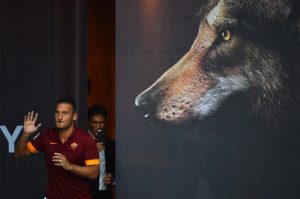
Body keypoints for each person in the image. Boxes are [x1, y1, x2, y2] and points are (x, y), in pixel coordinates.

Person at [15, 98, 100, 199]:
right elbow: (20, 153)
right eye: (57, 113)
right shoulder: (47, 135)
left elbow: (94, 173)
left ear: (74, 116)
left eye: (65, 113)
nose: (60, 117)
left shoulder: (85, 139)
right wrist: (25, 134)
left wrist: (70, 166)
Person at [88, 105, 115, 199]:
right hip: (84, 194)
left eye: (102, 123)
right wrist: (91, 150)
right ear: (89, 122)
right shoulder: (80, 141)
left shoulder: (111, 144)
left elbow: (118, 170)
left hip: (105, 195)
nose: (99, 126)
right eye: (95, 122)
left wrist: (113, 179)